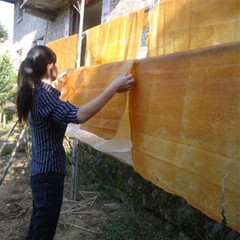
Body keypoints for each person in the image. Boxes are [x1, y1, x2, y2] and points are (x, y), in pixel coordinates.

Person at [16, 45, 134, 240]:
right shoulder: (43, 97)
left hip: (40, 172)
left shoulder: (34, 93)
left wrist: (58, 83)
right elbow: (79, 115)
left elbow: (51, 109)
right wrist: (113, 88)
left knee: (38, 228)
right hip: (48, 175)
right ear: (51, 66)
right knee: (42, 232)